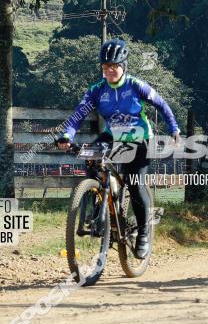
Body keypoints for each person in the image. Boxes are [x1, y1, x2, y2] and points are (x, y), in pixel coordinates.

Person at [56, 39, 180, 259]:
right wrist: (67, 135)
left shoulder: (135, 85)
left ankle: (143, 233)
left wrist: (174, 128)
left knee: (134, 182)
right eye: (105, 67)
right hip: (113, 136)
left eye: (114, 66)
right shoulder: (97, 90)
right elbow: (77, 116)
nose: (110, 71)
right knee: (91, 158)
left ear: (124, 66)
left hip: (140, 139)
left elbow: (161, 104)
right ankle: (97, 204)